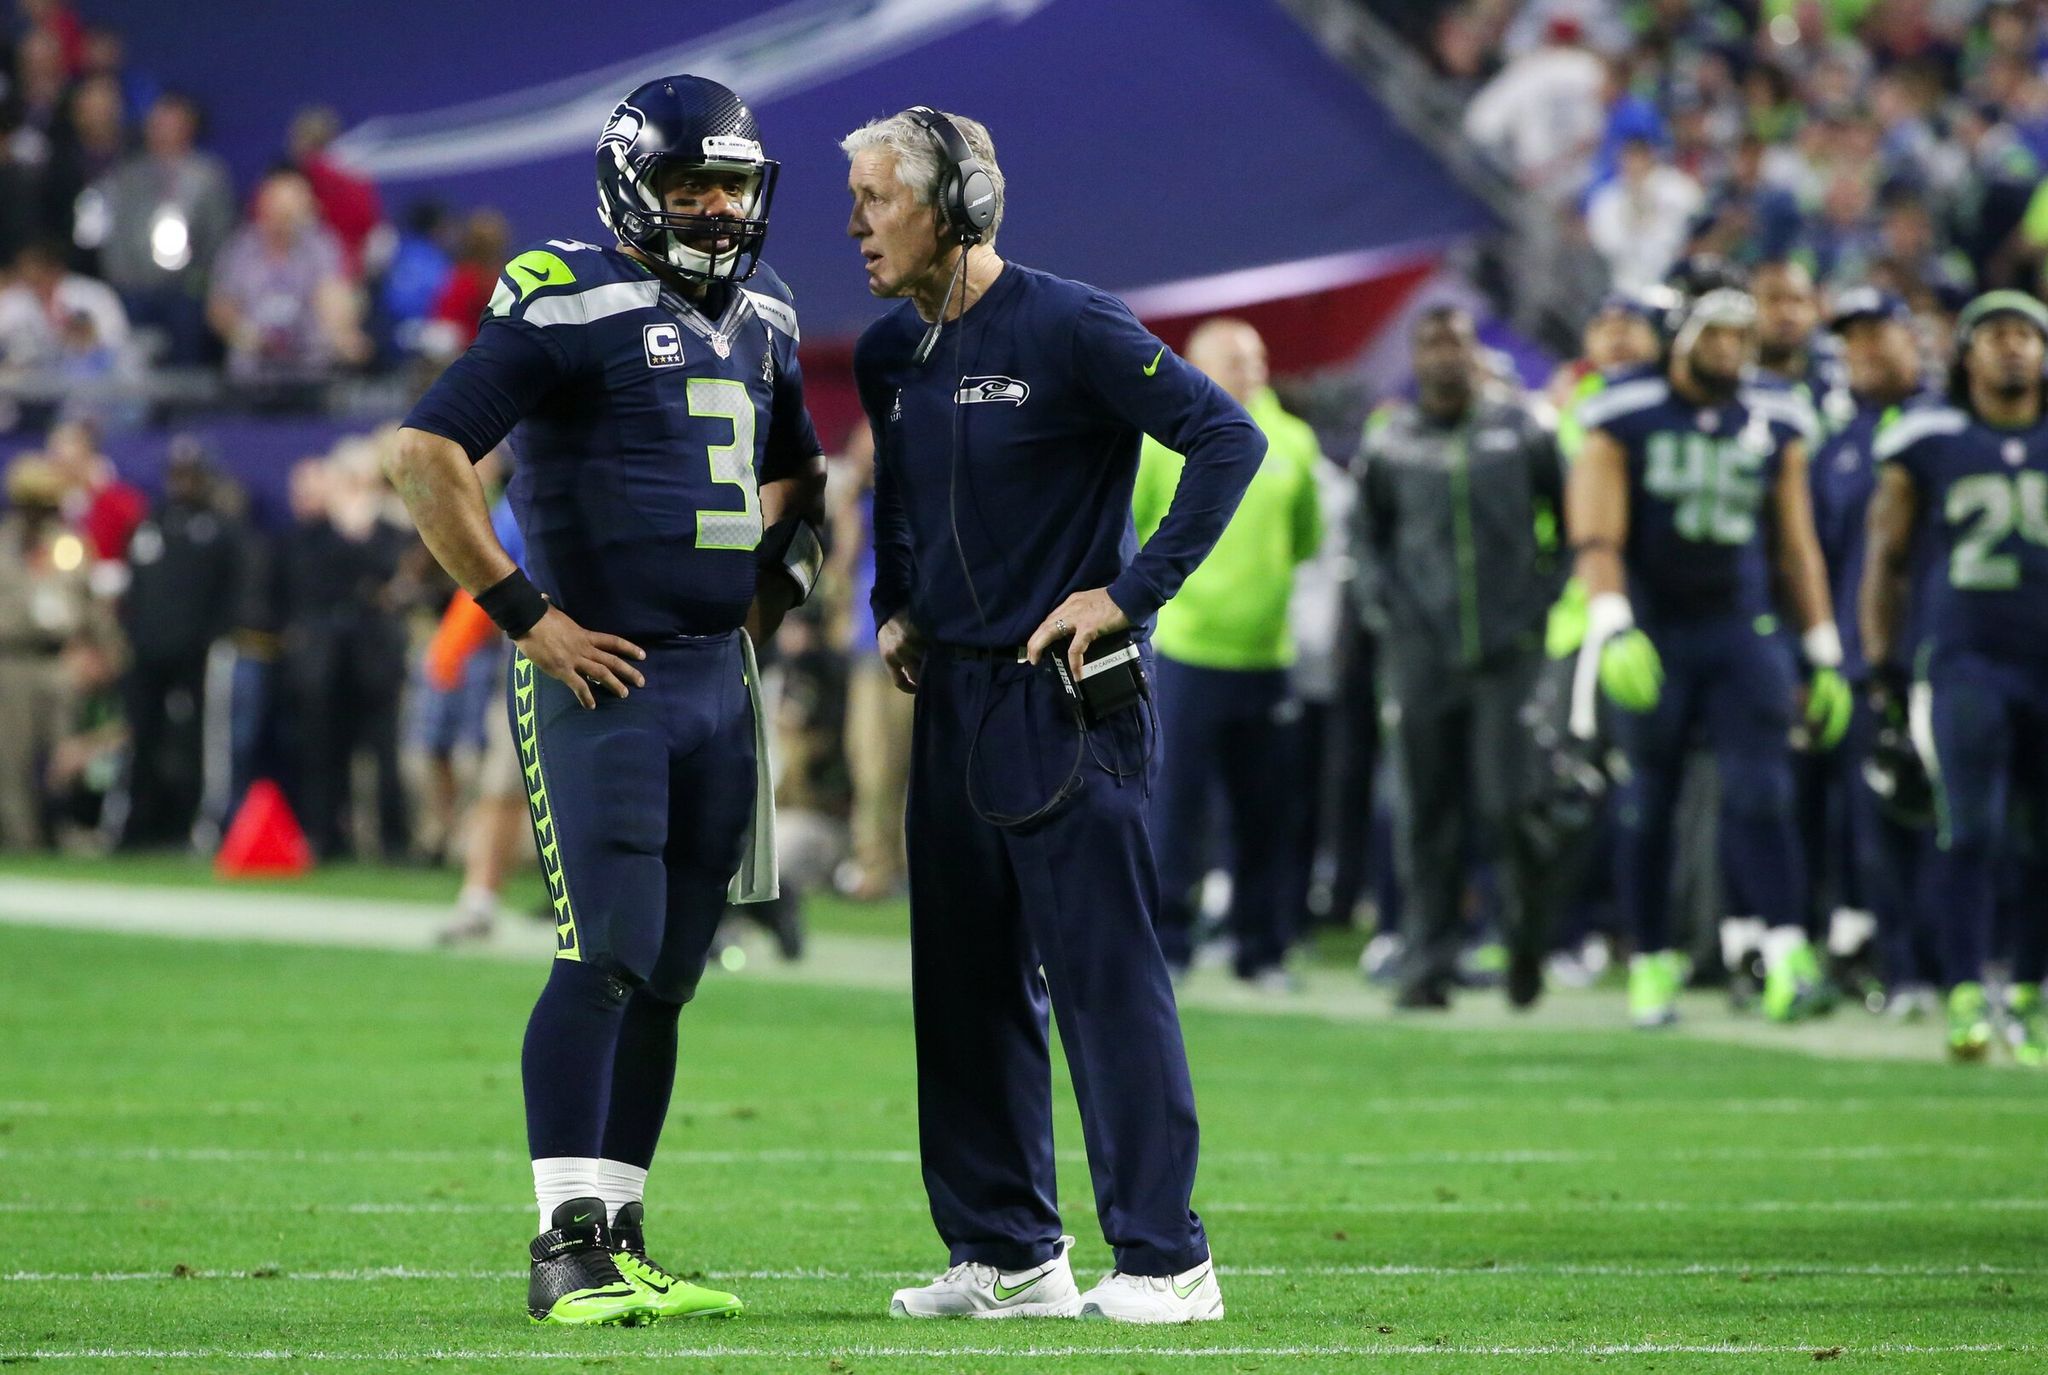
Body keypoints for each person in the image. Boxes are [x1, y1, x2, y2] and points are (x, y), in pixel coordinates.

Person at [392, 75, 826, 1325]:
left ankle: (621, 1232)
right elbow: (424, 455)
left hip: (712, 677)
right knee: (606, 950)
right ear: (635, 182)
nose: (713, 205)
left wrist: (773, 590)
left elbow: (796, 471)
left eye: (731, 184)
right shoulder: (564, 290)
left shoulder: (770, 310)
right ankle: (560, 1244)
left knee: (676, 965)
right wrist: (528, 617)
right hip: (607, 675)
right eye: (690, 181)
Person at [844, 106, 1261, 1322]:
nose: (857, 222)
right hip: (957, 697)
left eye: (878, 197)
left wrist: (1128, 595)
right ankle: (1010, 1251)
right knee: (961, 981)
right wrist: (895, 600)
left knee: (1102, 977)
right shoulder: (890, 355)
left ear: (956, 207)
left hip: (1068, 702)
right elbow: (905, 500)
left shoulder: (1071, 323)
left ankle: (1168, 1262)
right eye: (855, 198)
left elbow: (1223, 439)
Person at [1569, 286, 1854, 1028]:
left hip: (1743, 625)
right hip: (1657, 628)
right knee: (1647, 801)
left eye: (1740, 338)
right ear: (1679, 339)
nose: (1729, 351)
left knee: (1763, 791)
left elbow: (1796, 542)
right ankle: (1654, 959)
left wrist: (1823, 646)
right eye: (1714, 336)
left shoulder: (1778, 413)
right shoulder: (1623, 408)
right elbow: (1596, 530)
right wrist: (1612, 620)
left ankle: (1788, 953)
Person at [1358, 305, 1564, 1009]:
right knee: (1427, 810)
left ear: (1476, 352)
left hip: (1508, 651)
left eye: (1457, 341)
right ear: (1415, 356)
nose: (1446, 355)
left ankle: (1526, 942)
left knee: (1512, 806)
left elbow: (1567, 523)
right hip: (1422, 653)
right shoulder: (1391, 441)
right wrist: (1390, 613)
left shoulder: (1524, 427)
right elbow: (1369, 541)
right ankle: (1428, 962)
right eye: (1432, 342)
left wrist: (1538, 603)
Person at [1862, 290, 2048, 1063]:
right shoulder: (1928, 436)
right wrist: (1881, 665)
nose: (2013, 348)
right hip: (1965, 655)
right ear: (1966, 352)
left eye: (2027, 335)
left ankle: (2031, 989)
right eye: (1997, 334)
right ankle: (1967, 988)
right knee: (1968, 825)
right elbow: (1888, 560)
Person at [1136, 316, 1322, 988]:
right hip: (1185, 650)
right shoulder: (1164, 438)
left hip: (1267, 656)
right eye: (1234, 357)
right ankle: (1171, 944)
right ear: (1197, 365)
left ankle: (1261, 948)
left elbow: (1305, 538)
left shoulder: (1295, 441)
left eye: (1259, 355)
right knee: (1174, 808)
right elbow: (1138, 532)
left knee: (1267, 813)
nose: (1252, 367)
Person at [1805, 289, 1938, 1013]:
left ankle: (1985, 962)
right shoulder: (1838, 446)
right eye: (1852, 340)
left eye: (1877, 335)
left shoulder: (1949, 423)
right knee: (1876, 824)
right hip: (1866, 665)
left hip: (1950, 653)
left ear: (1911, 339)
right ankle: (1905, 968)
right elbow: (1819, 558)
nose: (1864, 351)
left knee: (1974, 820)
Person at [114, 441, 244, 850]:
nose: (181, 482)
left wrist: (209, 639)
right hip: (148, 654)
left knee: (201, 743)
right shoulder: (149, 525)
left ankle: (200, 827)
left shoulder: (219, 530)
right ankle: (134, 825)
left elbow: (230, 593)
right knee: (140, 737)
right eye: (176, 474)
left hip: (197, 655)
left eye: (189, 474)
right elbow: (133, 591)